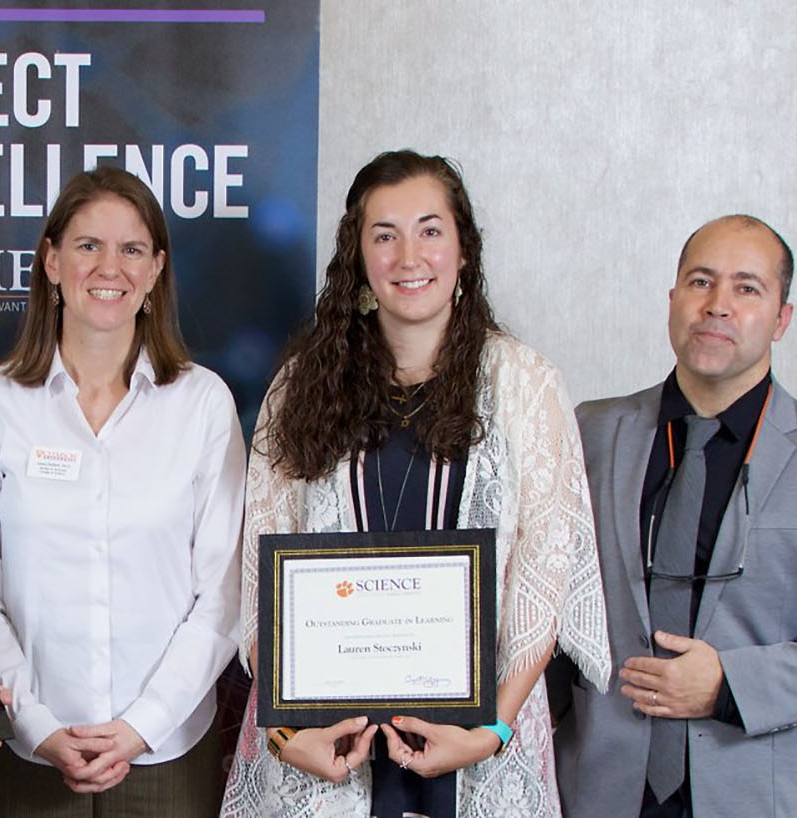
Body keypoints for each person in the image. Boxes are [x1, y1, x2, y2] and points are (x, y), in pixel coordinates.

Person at [219, 150, 611, 818]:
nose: (409, 255)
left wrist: (491, 730)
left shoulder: (524, 384)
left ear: (463, 252)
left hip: (476, 749)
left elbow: (544, 573)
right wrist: (289, 735)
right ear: (359, 258)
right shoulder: (298, 388)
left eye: (430, 230)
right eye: (385, 235)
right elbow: (264, 569)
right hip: (327, 755)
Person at [550, 215, 797, 817]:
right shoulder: (587, 432)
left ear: (782, 318)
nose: (717, 305)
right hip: (602, 790)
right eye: (700, 282)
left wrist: (730, 686)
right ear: (673, 300)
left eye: (747, 288)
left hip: (762, 793)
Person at [0, 166, 246, 817]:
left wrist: (145, 722)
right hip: (28, 750)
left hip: (167, 750)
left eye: (132, 249)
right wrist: (36, 722)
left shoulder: (202, 403)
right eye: (88, 246)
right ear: (51, 261)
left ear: (156, 269)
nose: (109, 267)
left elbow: (223, 589)